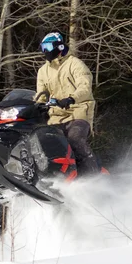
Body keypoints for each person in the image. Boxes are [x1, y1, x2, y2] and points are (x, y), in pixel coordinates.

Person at [36, 31, 99, 175]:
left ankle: (93, 175)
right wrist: (37, 106)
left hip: (78, 112)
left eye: (48, 47)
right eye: (43, 47)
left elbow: (85, 87)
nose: (45, 51)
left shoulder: (75, 64)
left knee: (74, 138)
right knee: (41, 142)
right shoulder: (43, 71)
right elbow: (40, 95)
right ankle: (49, 176)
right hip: (55, 117)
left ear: (58, 47)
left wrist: (71, 98)